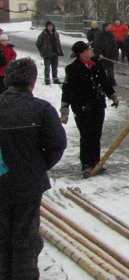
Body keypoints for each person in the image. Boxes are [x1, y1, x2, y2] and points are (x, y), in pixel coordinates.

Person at [0, 57, 67, 280]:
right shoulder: (41, 109)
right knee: (26, 235)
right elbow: (57, 144)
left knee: (3, 232)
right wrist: (38, 167)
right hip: (27, 184)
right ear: (33, 81)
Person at [60, 41, 119, 178]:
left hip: (98, 106)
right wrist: (65, 110)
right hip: (82, 108)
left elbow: (105, 82)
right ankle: (86, 164)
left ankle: (96, 162)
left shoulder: (96, 65)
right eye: (88, 48)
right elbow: (67, 90)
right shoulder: (72, 69)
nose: (91, 49)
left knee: (96, 134)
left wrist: (113, 96)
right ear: (82, 53)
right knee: (86, 135)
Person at [35, 21, 63, 85]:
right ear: (46, 27)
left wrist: (59, 51)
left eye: (51, 26)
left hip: (55, 53)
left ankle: (55, 79)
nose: (50, 27)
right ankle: (47, 80)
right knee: (47, 68)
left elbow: (58, 43)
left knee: (55, 68)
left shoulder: (56, 33)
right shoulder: (43, 35)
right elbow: (38, 44)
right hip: (47, 54)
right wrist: (43, 51)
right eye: (49, 26)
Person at [91, 22, 118, 86]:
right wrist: (99, 54)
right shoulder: (99, 34)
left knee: (110, 69)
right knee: (102, 69)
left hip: (110, 55)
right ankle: (103, 81)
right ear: (105, 27)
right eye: (109, 26)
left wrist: (115, 54)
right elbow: (96, 45)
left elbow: (114, 45)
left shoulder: (111, 35)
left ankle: (111, 80)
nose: (110, 28)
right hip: (102, 55)